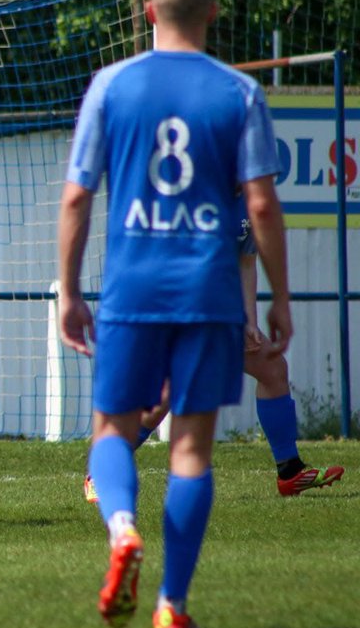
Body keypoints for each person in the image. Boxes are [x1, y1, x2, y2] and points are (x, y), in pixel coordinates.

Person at [57, 0, 292, 628]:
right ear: (213, 14)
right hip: (210, 292)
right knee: (191, 450)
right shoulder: (238, 94)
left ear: (148, 12)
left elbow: (77, 195)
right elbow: (263, 205)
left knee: (113, 427)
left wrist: (71, 291)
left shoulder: (111, 85)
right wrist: (279, 297)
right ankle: (172, 606)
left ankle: (122, 527)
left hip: (133, 289)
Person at [83, 209, 343, 504]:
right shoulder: (193, 196)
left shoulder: (247, 200)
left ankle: (290, 472)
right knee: (164, 396)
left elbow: (246, 262)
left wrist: (249, 322)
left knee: (272, 368)